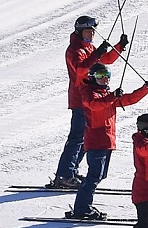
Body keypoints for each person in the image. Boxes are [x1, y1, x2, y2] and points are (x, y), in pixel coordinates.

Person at [69, 63, 148, 221]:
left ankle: (84, 206)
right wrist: (112, 96)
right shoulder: (89, 93)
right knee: (94, 175)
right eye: (101, 76)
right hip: (96, 141)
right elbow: (94, 105)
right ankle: (82, 208)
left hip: (107, 141)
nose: (105, 79)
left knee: (99, 175)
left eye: (107, 76)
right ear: (93, 77)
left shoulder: (107, 95)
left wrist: (144, 90)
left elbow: (128, 99)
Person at [50, 16, 126, 190]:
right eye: (88, 31)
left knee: (85, 138)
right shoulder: (74, 50)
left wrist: (119, 46)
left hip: (91, 97)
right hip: (80, 99)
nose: (92, 34)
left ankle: (71, 171)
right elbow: (81, 69)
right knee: (77, 137)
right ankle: (65, 175)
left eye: (93, 32)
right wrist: (97, 54)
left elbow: (106, 60)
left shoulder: (88, 47)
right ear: (79, 31)